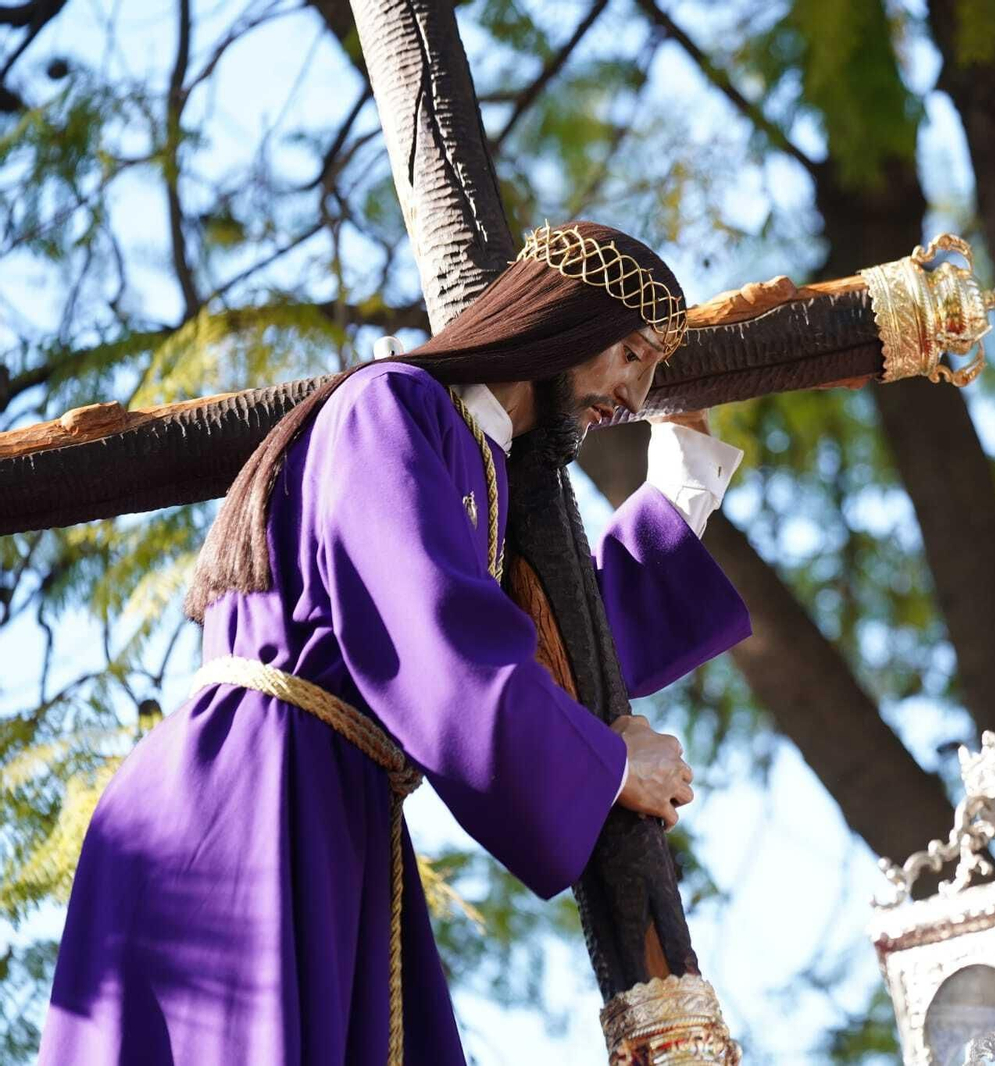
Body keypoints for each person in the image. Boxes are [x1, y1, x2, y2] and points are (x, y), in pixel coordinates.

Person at [38, 221, 752, 1064]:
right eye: (630, 354)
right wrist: (605, 764)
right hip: (246, 798)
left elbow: (563, 650)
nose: (634, 394)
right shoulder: (393, 404)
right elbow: (435, 645)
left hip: (331, 801)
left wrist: (684, 475)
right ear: (563, 322)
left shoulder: (487, 467)